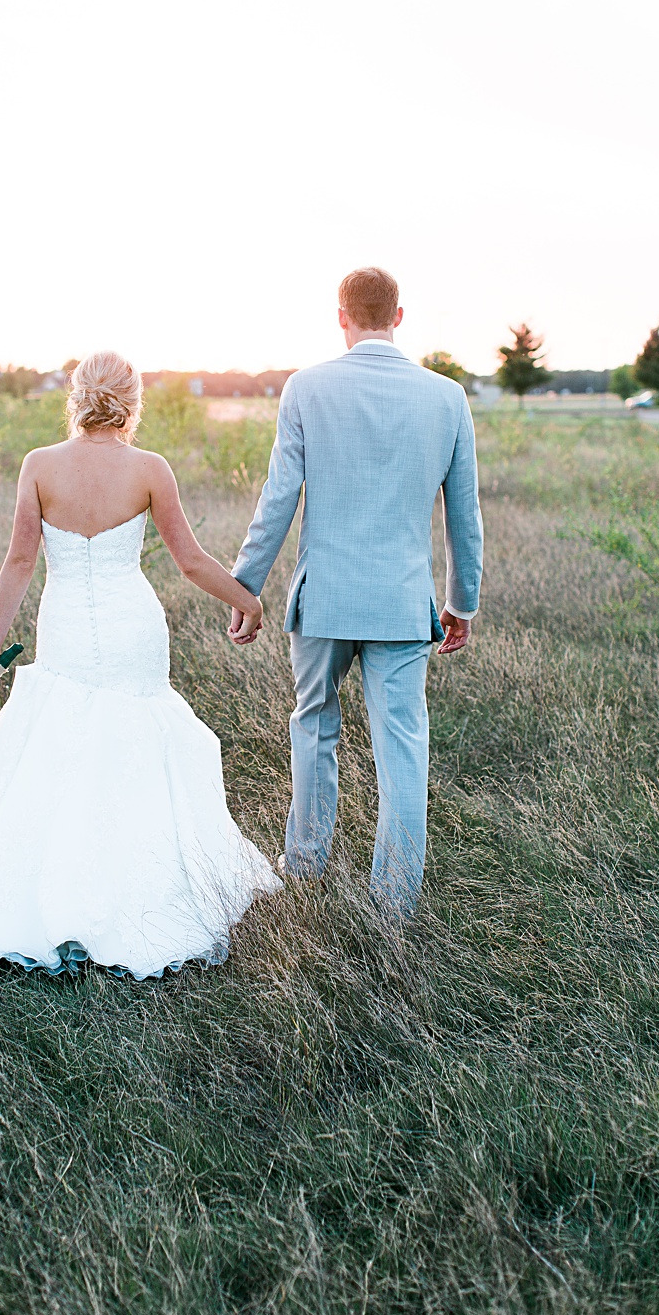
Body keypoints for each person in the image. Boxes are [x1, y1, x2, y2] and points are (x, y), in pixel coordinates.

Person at [0, 351, 280, 979]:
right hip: (134, 629)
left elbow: (20, 563)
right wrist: (248, 600)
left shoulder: (40, 466)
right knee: (130, 746)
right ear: (132, 402)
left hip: (68, 626)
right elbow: (189, 562)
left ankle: (50, 890)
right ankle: (135, 893)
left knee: (62, 744)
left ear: (76, 397)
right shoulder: (150, 469)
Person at [228, 266, 483, 912]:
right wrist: (462, 601)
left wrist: (245, 587)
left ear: (341, 315)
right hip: (401, 603)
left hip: (326, 601)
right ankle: (394, 897)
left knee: (314, 725)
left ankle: (306, 863)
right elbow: (464, 512)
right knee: (403, 745)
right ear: (398, 316)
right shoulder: (447, 397)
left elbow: (279, 495)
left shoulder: (306, 389)